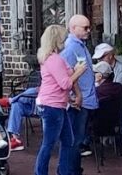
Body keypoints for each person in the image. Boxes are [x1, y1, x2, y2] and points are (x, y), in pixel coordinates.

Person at [34, 24, 88, 175]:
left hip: (58, 104)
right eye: (63, 39)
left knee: (68, 140)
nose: (65, 42)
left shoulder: (53, 58)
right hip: (52, 105)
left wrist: (76, 92)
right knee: (49, 144)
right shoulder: (54, 60)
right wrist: (79, 71)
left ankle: (64, 171)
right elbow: (65, 83)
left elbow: (68, 76)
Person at [60, 14, 95, 174]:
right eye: (85, 28)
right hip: (77, 102)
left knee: (77, 139)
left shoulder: (81, 45)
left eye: (89, 27)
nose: (89, 30)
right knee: (73, 140)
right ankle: (68, 171)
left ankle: (72, 170)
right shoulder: (71, 47)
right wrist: (74, 96)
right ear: (73, 28)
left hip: (85, 99)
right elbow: (65, 75)